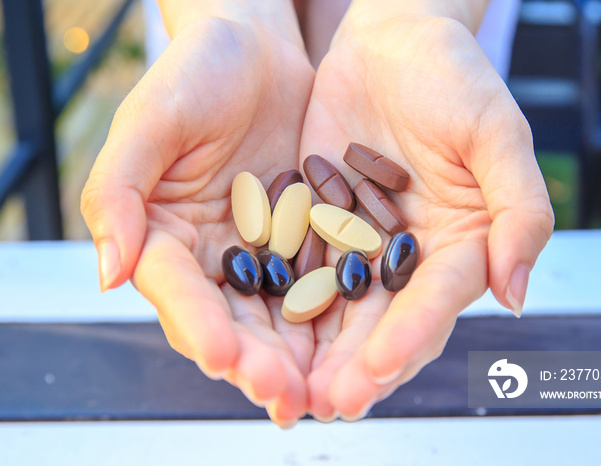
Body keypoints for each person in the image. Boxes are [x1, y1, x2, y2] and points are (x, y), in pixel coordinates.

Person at [80, 0, 554, 428]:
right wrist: (236, 15)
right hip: (220, 106)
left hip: (422, 110)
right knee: (226, 363)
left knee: (401, 366)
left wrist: (410, 15)